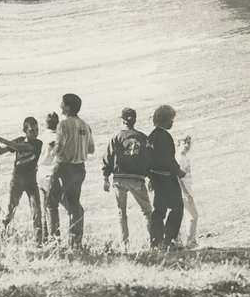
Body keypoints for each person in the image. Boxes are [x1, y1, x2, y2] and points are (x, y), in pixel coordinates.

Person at [0, 116, 44, 243]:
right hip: (17, 181)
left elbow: (17, 146)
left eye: (37, 130)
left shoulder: (38, 144)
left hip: (31, 182)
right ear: (25, 130)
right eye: (32, 130)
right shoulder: (20, 140)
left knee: (37, 211)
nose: (35, 133)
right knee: (10, 212)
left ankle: (39, 242)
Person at [102, 107, 154, 249]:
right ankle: (153, 242)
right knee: (147, 212)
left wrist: (105, 177)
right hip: (137, 178)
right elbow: (149, 159)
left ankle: (125, 245)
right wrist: (151, 178)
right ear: (135, 119)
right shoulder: (143, 137)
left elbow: (108, 157)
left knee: (121, 212)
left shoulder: (116, 137)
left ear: (123, 120)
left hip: (119, 178)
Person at [48, 93, 95, 249]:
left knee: (51, 202)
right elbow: (91, 149)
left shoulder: (63, 124)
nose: (60, 105)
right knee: (74, 205)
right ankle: (75, 243)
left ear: (67, 107)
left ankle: (54, 241)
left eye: (62, 103)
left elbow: (59, 147)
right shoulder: (85, 125)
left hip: (63, 168)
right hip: (79, 169)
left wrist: (52, 150)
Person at [147, 105, 185, 250]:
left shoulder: (151, 136)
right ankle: (169, 240)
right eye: (171, 119)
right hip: (167, 178)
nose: (172, 123)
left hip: (155, 178)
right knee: (177, 208)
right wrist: (179, 172)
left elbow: (148, 159)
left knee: (159, 210)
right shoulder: (165, 136)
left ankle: (155, 241)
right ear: (165, 120)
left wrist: (151, 177)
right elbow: (168, 160)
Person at [38, 112, 59, 237]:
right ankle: (54, 238)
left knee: (43, 209)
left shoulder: (40, 138)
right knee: (52, 208)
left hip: (40, 175)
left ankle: (44, 237)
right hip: (51, 176)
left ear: (45, 123)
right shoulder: (59, 138)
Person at [177, 134, 199, 249]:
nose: (187, 145)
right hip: (183, 191)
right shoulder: (179, 158)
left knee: (188, 216)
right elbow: (177, 177)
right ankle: (190, 242)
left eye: (189, 142)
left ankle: (187, 241)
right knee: (193, 216)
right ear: (178, 143)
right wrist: (185, 192)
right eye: (184, 142)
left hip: (187, 190)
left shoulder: (185, 157)